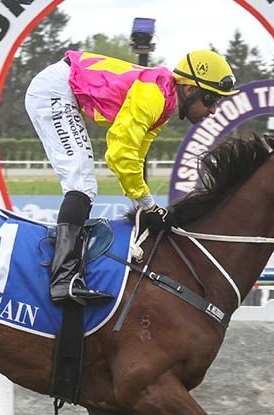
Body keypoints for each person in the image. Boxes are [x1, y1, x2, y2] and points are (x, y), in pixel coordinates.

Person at [25, 49, 239, 303]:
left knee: (84, 185)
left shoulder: (164, 102)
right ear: (190, 89)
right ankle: (63, 280)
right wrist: (148, 204)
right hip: (55, 90)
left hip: (62, 88)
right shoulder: (154, 96)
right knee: (81, 184)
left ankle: (68, 274)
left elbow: (135, 157)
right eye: (210, 98)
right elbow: (119, 153)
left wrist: (146, 205)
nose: (213, 109)